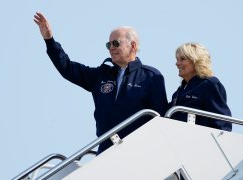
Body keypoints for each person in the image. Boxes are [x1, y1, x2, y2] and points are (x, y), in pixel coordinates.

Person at [33, 12, 168, 154]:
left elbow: (161, 118)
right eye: (108, 44)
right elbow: (68, 68)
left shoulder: (151, 76)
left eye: (116, 43)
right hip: (106, 148)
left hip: (139, 148)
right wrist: (49, 40)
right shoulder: (101, 74)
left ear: (133, 45)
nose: (111, 48)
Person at [169, 42, 232, 131]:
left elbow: (222, 123)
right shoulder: (179, 92)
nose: (177, 63)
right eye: (177, 59)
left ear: (196, 61)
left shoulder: (209, 84)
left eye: (182, 59)